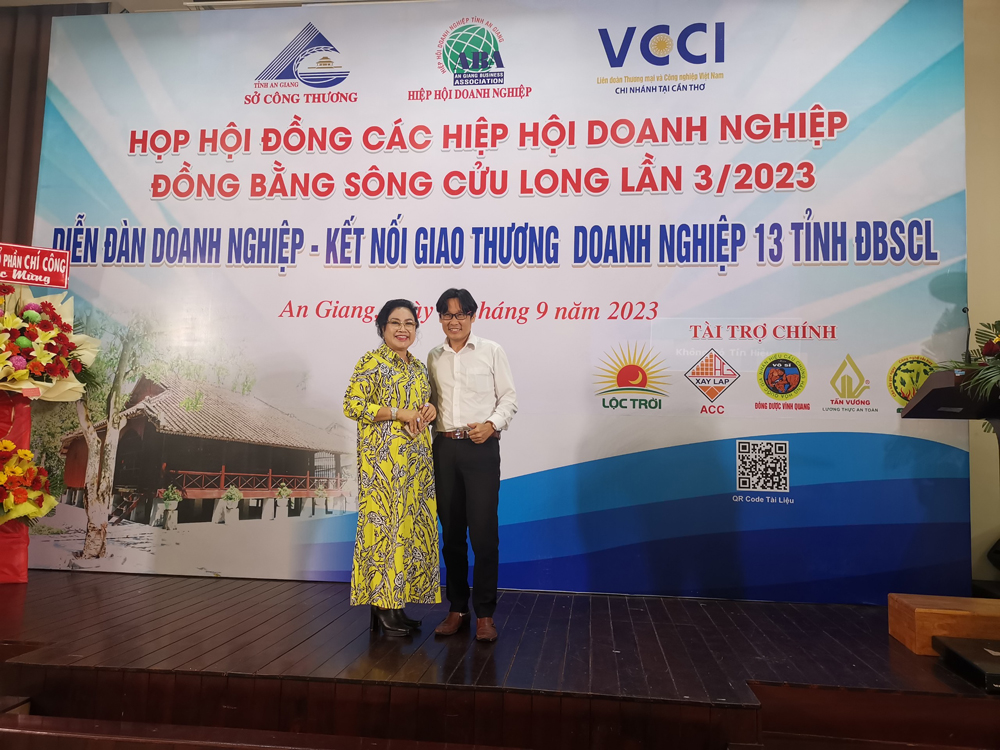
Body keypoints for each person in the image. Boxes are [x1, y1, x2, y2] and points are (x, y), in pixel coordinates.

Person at [343, 299, 440, 636]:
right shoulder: (371, 362)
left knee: (407, 531)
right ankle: (381, 606)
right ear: (382, 327)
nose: (403, 329)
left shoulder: (418, 367)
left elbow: (422, 406)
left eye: (409, 323)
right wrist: (398, 413)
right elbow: (352, 405)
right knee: (385, 530)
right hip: (383, 465)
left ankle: (394, 605)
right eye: (395, 322)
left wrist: (428, 409)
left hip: (416, 463)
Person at [427, 288, 517, 642]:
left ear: (473, 316)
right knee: (451, 535)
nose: (454, 321)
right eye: (447, 315)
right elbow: (429, 402)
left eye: (461, 314)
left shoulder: (492, 351)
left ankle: (485, 615)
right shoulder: (433, 357)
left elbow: (508, 398)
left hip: (481, 449)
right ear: (440, 319)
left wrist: (492, 424)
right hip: (444, 449)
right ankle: (457, 608)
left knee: (484, 535)